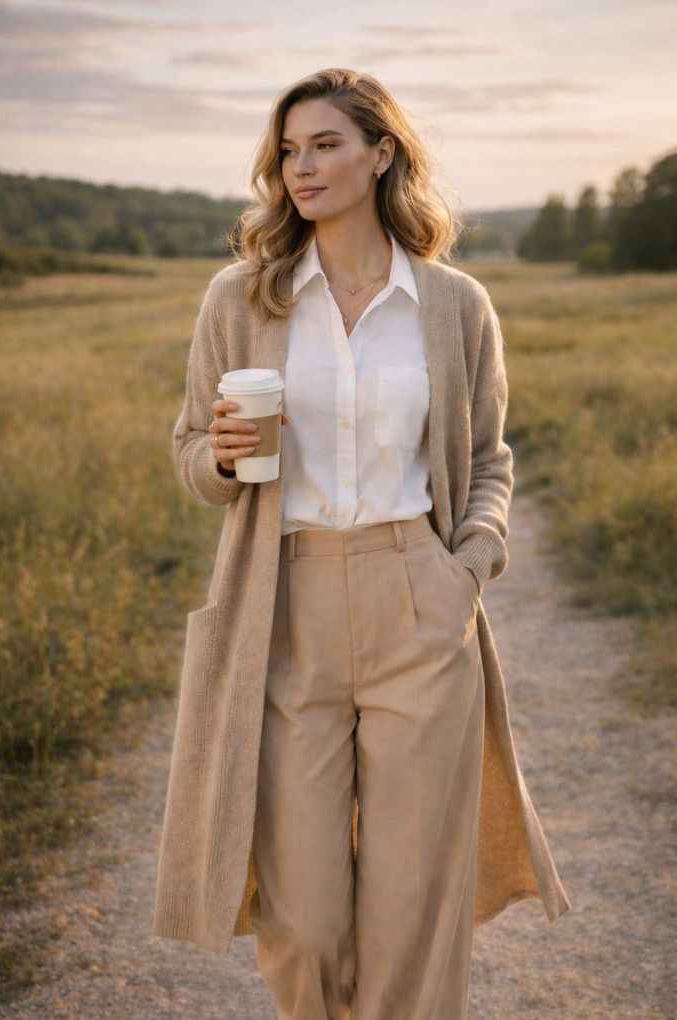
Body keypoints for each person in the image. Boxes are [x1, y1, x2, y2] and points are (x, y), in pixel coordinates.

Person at [153, 68, 570, 1019]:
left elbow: (486, 460)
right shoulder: (242, 299)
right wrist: (217, 460)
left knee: (412, 908)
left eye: (326, 144)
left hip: (417, 604)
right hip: (285, 608)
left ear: (382, 154)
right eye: (290, 150)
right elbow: (190, 451)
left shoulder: (453, 303)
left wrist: (466, 569)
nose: (302, 167)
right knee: (300, 920)